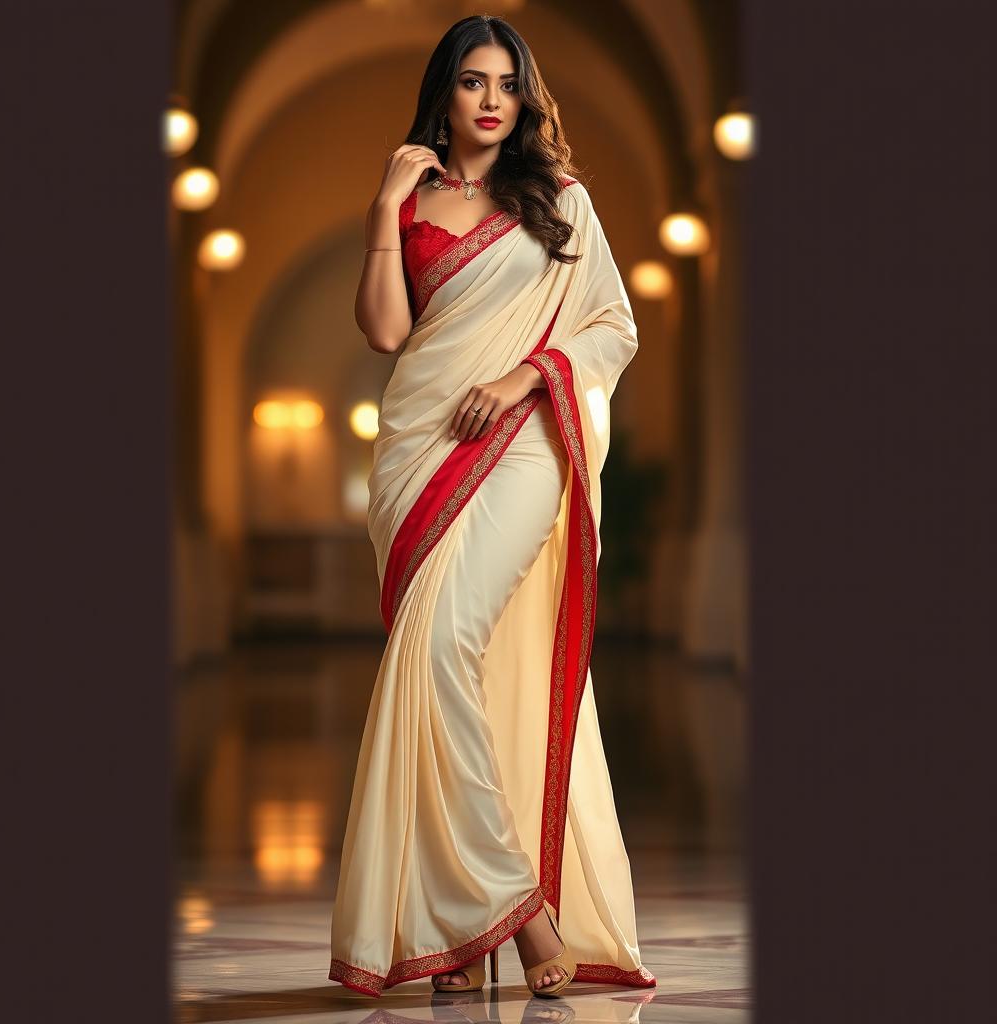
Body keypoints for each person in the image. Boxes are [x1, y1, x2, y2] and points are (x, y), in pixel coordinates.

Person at [329, 13, 656, 999]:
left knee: (441, 645)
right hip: (419, 445)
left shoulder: (558, 201)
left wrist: (527, 375)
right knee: (438, 666)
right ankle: (462, 926)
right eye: (471, 82)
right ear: (445, 92)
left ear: (522, 100)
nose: (488, 100)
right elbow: (388, 330)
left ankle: (517, 913)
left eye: (505, 85)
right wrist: (387, 204)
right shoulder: (415, 197)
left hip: (523, 440)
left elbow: (612, 324)